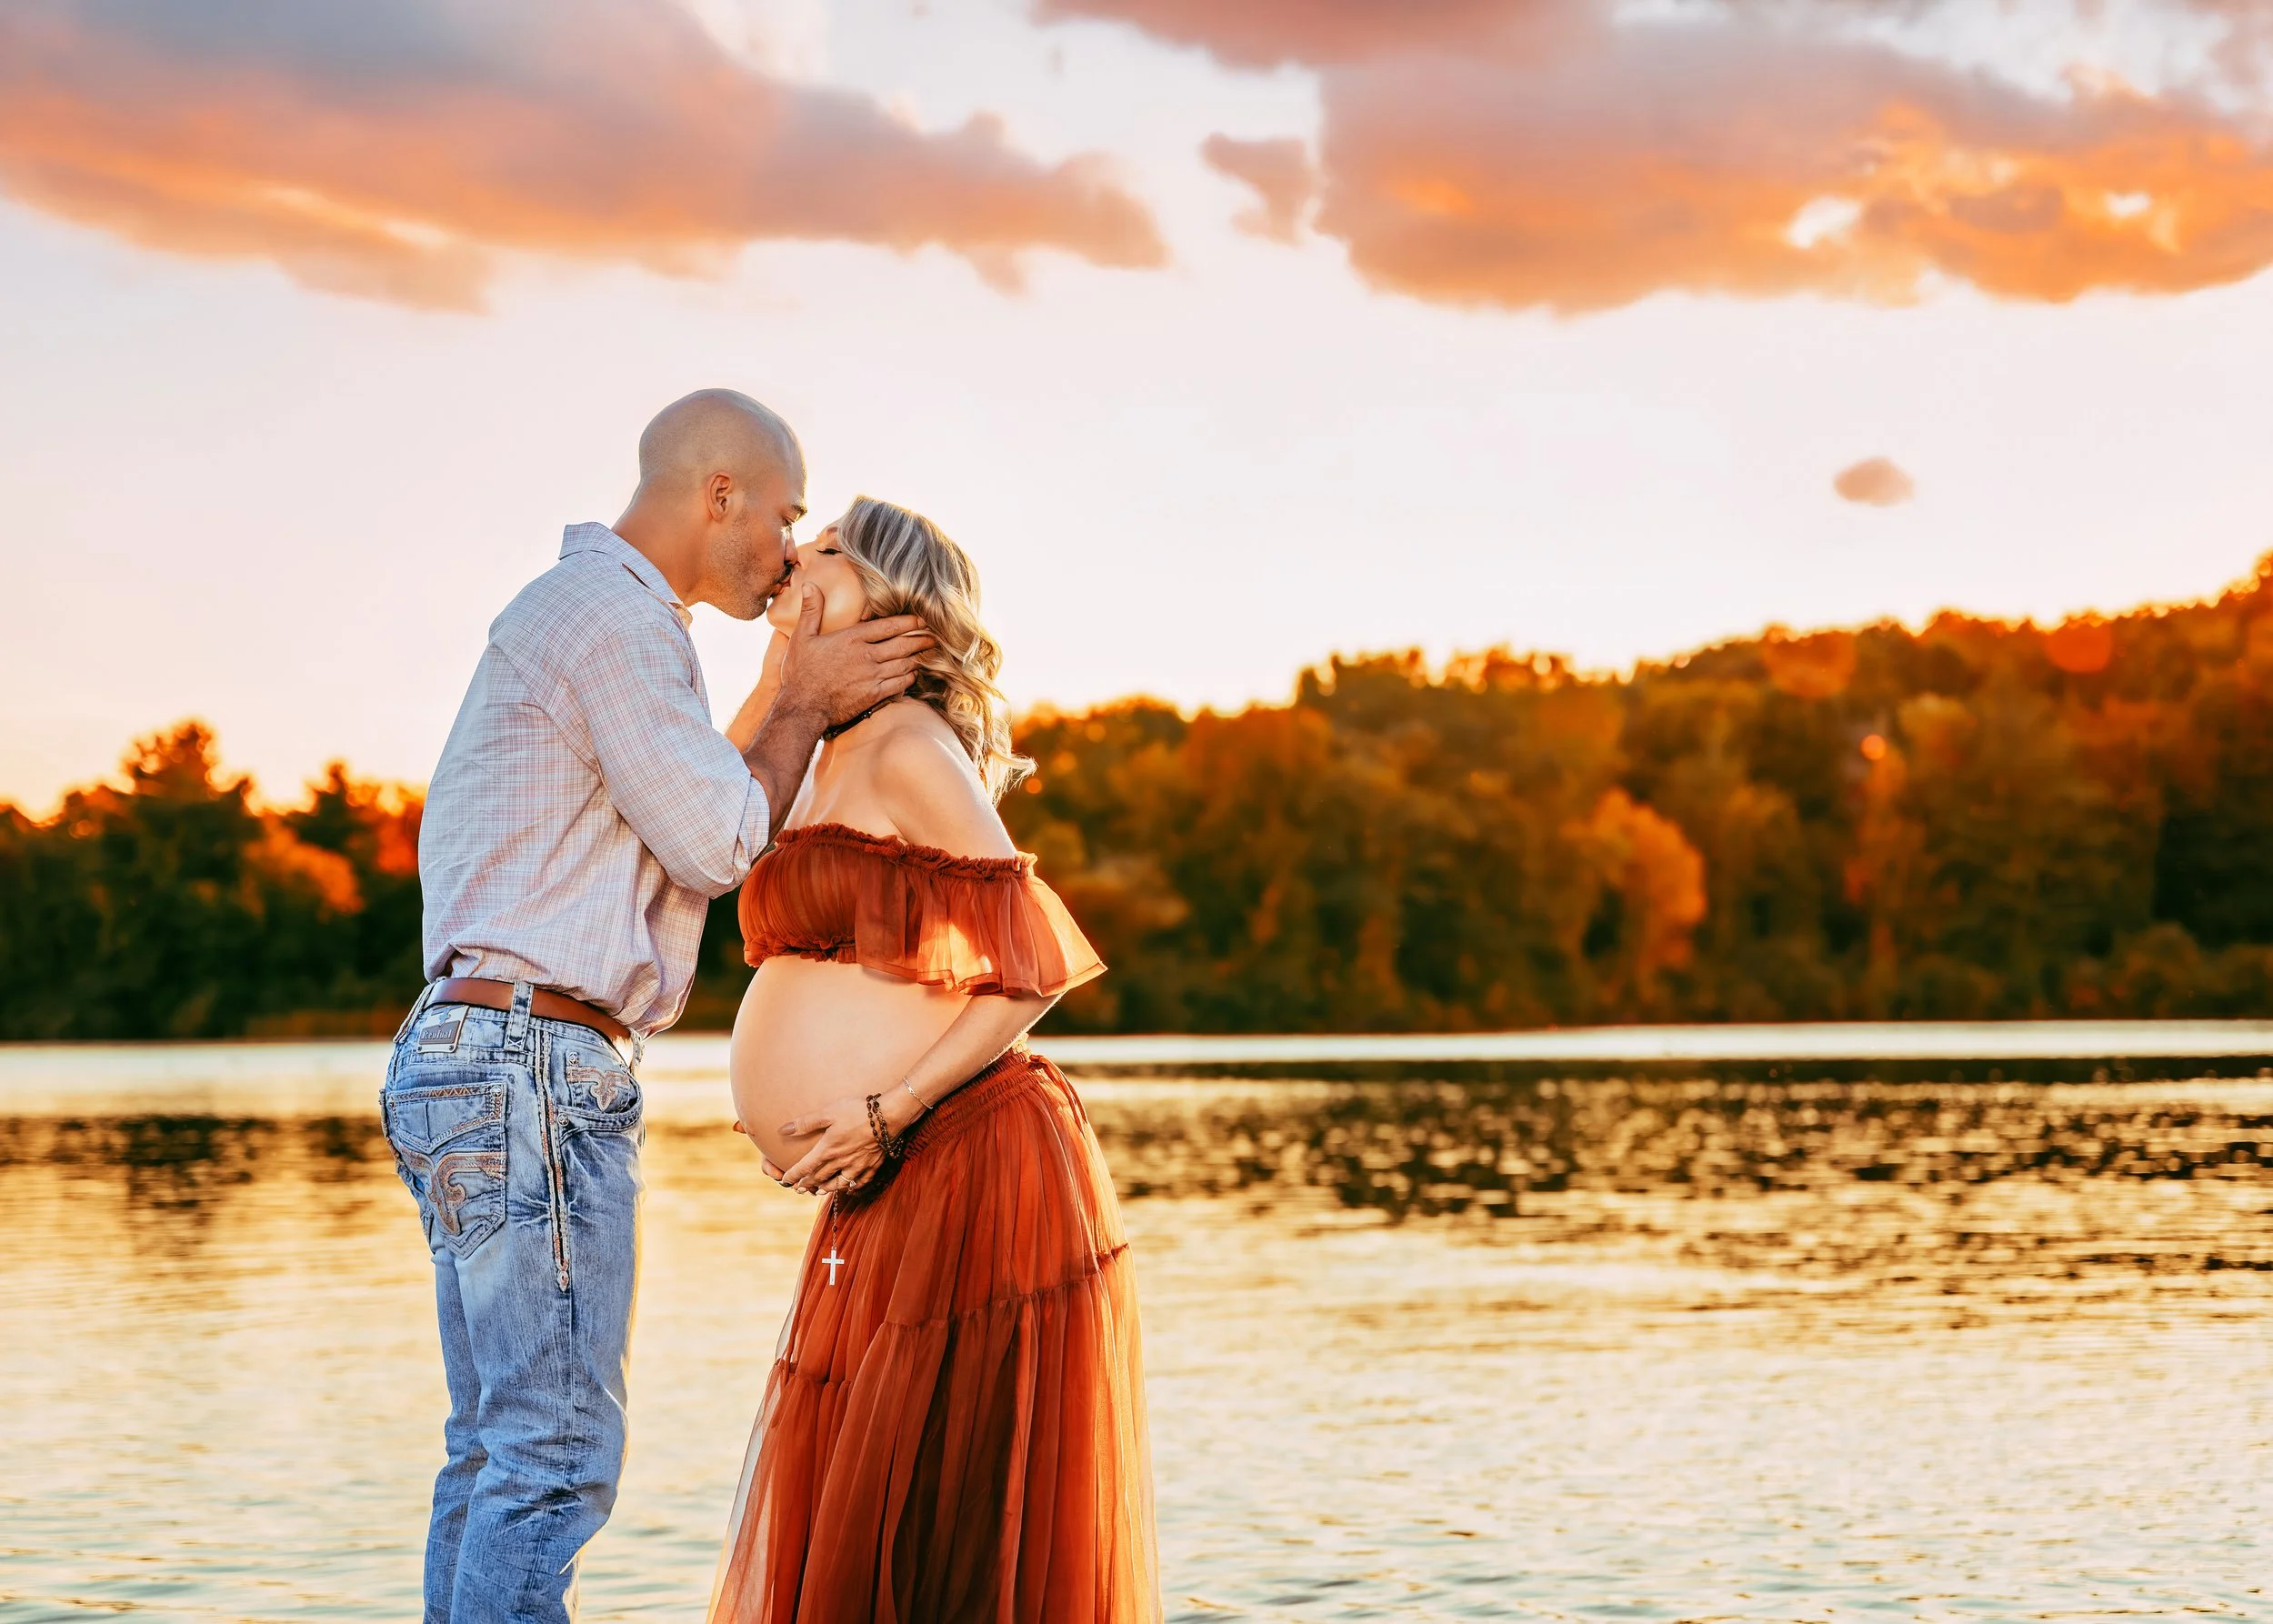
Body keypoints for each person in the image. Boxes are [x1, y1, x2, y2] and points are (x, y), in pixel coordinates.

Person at [383, 390, 932, 1624]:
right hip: (529, 1062)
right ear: (719, 492)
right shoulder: (618, 621)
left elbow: (698, 792)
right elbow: (720, 837)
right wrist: (798, 681)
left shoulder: (596, 618)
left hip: (481, 1051)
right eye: (784, 516)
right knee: (554, 1454)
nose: (790, 550)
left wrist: (786, 693)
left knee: (495, 1449)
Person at [706, 497, 1160, 1622]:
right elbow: (704, 832)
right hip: (892, 1165)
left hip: (962, 1151)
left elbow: (1033, 965)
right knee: (882, 1511)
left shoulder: (909, 742)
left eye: (826, 550)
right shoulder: (819, 751)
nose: (793, 559)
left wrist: (887, 1105)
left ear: (896, 605)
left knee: (941, 1509)